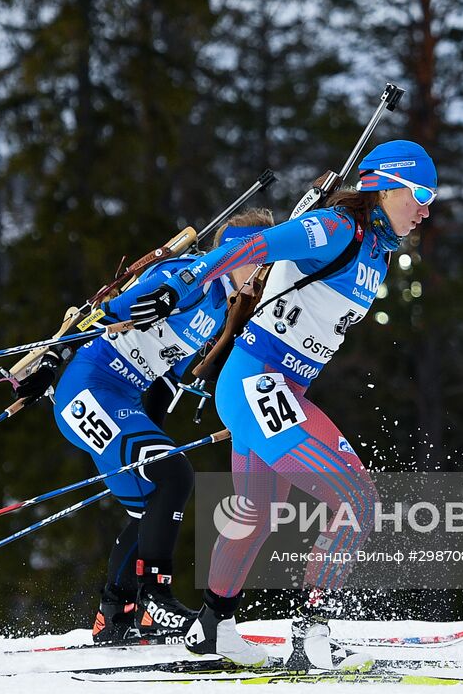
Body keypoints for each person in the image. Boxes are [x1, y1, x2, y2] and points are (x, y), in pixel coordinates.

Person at [127, 140, 437, 668]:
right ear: (386, 187)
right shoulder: (336, 228)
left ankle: (213, 628)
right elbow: (251, 246)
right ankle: (313, 633)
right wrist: (184, 283)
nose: (426, 210)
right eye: (422, 195)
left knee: (257, 512)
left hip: (275, 389)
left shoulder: (378, 253)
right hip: (259, 383)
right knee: (358, 502)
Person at [14, 209, 273, 645]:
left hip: (122, 401)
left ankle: (115, 613)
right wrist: (49, 362)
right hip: (87, 391)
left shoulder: (219, 306)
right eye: (260, 259)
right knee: (175, 475)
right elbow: (98, 315)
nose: (266, 271)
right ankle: (155, 598)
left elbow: (168, 378)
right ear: (235, 253)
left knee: (151, 503)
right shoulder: (186, 278)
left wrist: (153, 436)